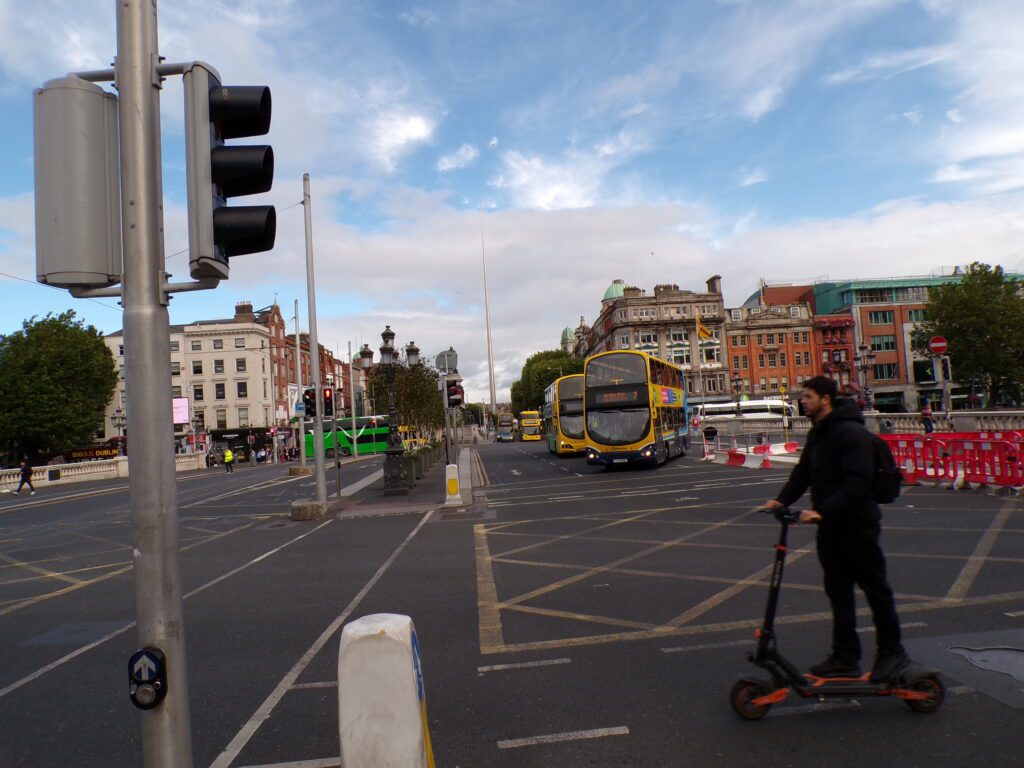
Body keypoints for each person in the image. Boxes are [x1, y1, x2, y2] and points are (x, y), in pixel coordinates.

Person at [764, 376, 908, 683]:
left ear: (825, 399)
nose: (802, 401)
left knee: (875, 589)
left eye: (807, 396)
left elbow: (858, 482)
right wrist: (781, 500)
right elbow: (802, 472)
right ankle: (845, 657)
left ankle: (892, 653)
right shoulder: (820, 433)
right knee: (838, 592)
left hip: (857, 525)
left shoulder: (851, 433)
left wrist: (819, 511)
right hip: (829, 526)